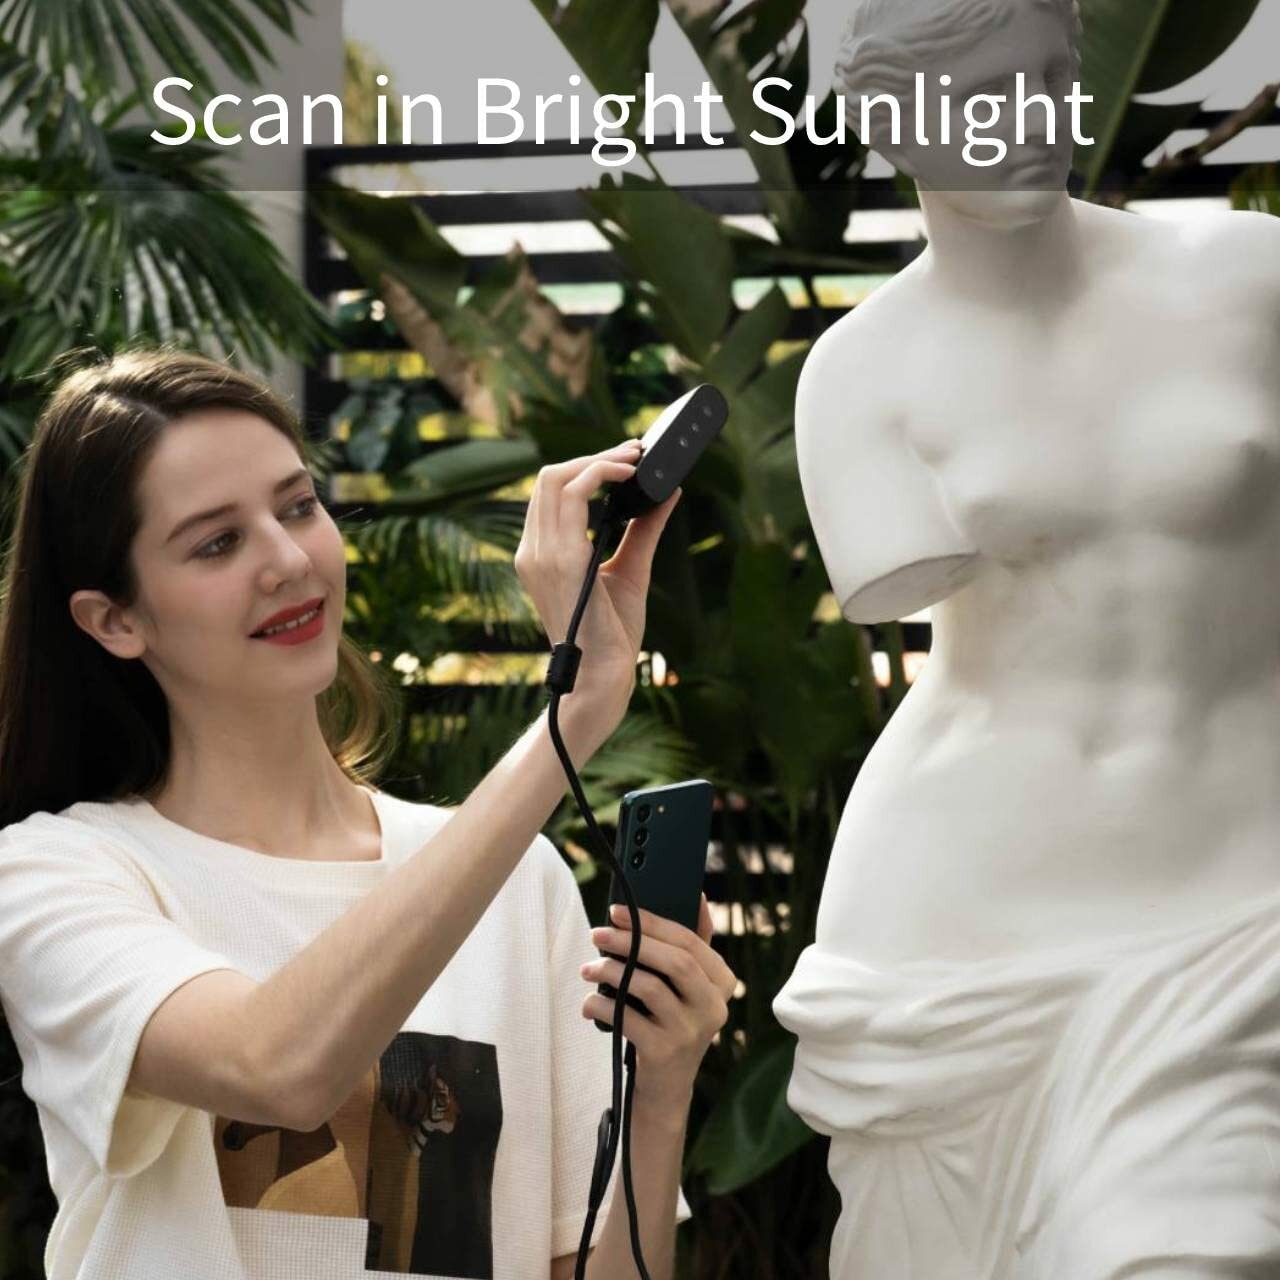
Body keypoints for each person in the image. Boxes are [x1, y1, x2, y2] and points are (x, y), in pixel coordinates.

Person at [0, 348, 737, 1280]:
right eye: (217, 543)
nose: (286, 560)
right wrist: (573, 717)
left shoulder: (520, 881)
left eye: (297, 506)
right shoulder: (55, 877)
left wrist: (660, 1091)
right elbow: (278, 1068)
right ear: (114, 620)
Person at [771, 0, 1280, 1276]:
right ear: (889, 121)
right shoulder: (859, 371)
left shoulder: (1244, 280)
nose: (1032, 122)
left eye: (1049, 79)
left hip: (1232, 895)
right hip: (959, 915)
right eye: (978, 99)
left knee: (1190, 1249)